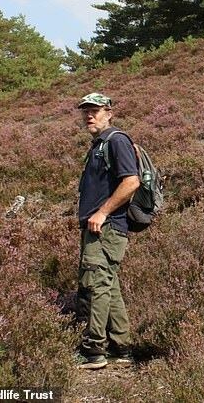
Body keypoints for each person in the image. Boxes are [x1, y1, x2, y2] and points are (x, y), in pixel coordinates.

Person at [75, 92, 140, 370]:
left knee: (96, 286)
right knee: (109, 286)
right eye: (85, 111)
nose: (89, 115)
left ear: (109, 112)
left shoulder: (116, 141)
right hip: (101, 227)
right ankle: (121, 347)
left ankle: (95, 352)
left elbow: (131, 182)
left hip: (107, 228)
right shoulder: (99, 145)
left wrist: (102, 212)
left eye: (96, 110)